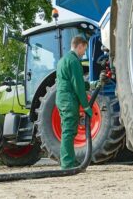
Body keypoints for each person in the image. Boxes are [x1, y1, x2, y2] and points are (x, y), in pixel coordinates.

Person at [55, 36, 93, 169]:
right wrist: (86, 106)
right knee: (69, 131)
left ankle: (69, 159)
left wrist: (91, 85)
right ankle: (67, 163)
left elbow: (72, 81)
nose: (84, 53)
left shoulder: (63, 60)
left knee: (67, 130)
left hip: (61, 99)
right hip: (68, 100)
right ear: (79, 46)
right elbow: (78, 86)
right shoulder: (74, 61)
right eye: (84, 49)